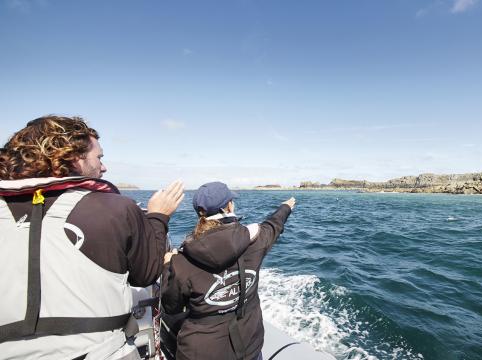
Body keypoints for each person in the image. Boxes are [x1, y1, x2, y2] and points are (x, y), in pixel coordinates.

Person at [0, 115, 186, 359]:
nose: (104, 167)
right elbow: (146, 274)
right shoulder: (116, 208)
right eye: (99, 157)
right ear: (72, 157)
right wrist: (159, 216)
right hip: (103, 351)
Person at [161, 181, 295, 360]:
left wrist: (167, 266)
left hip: (200, 352)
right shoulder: (255, 241)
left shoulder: (181, 261)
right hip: (249, 347)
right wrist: (286, 207)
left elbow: (171, 306)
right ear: (229, 206)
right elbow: (274, 225)